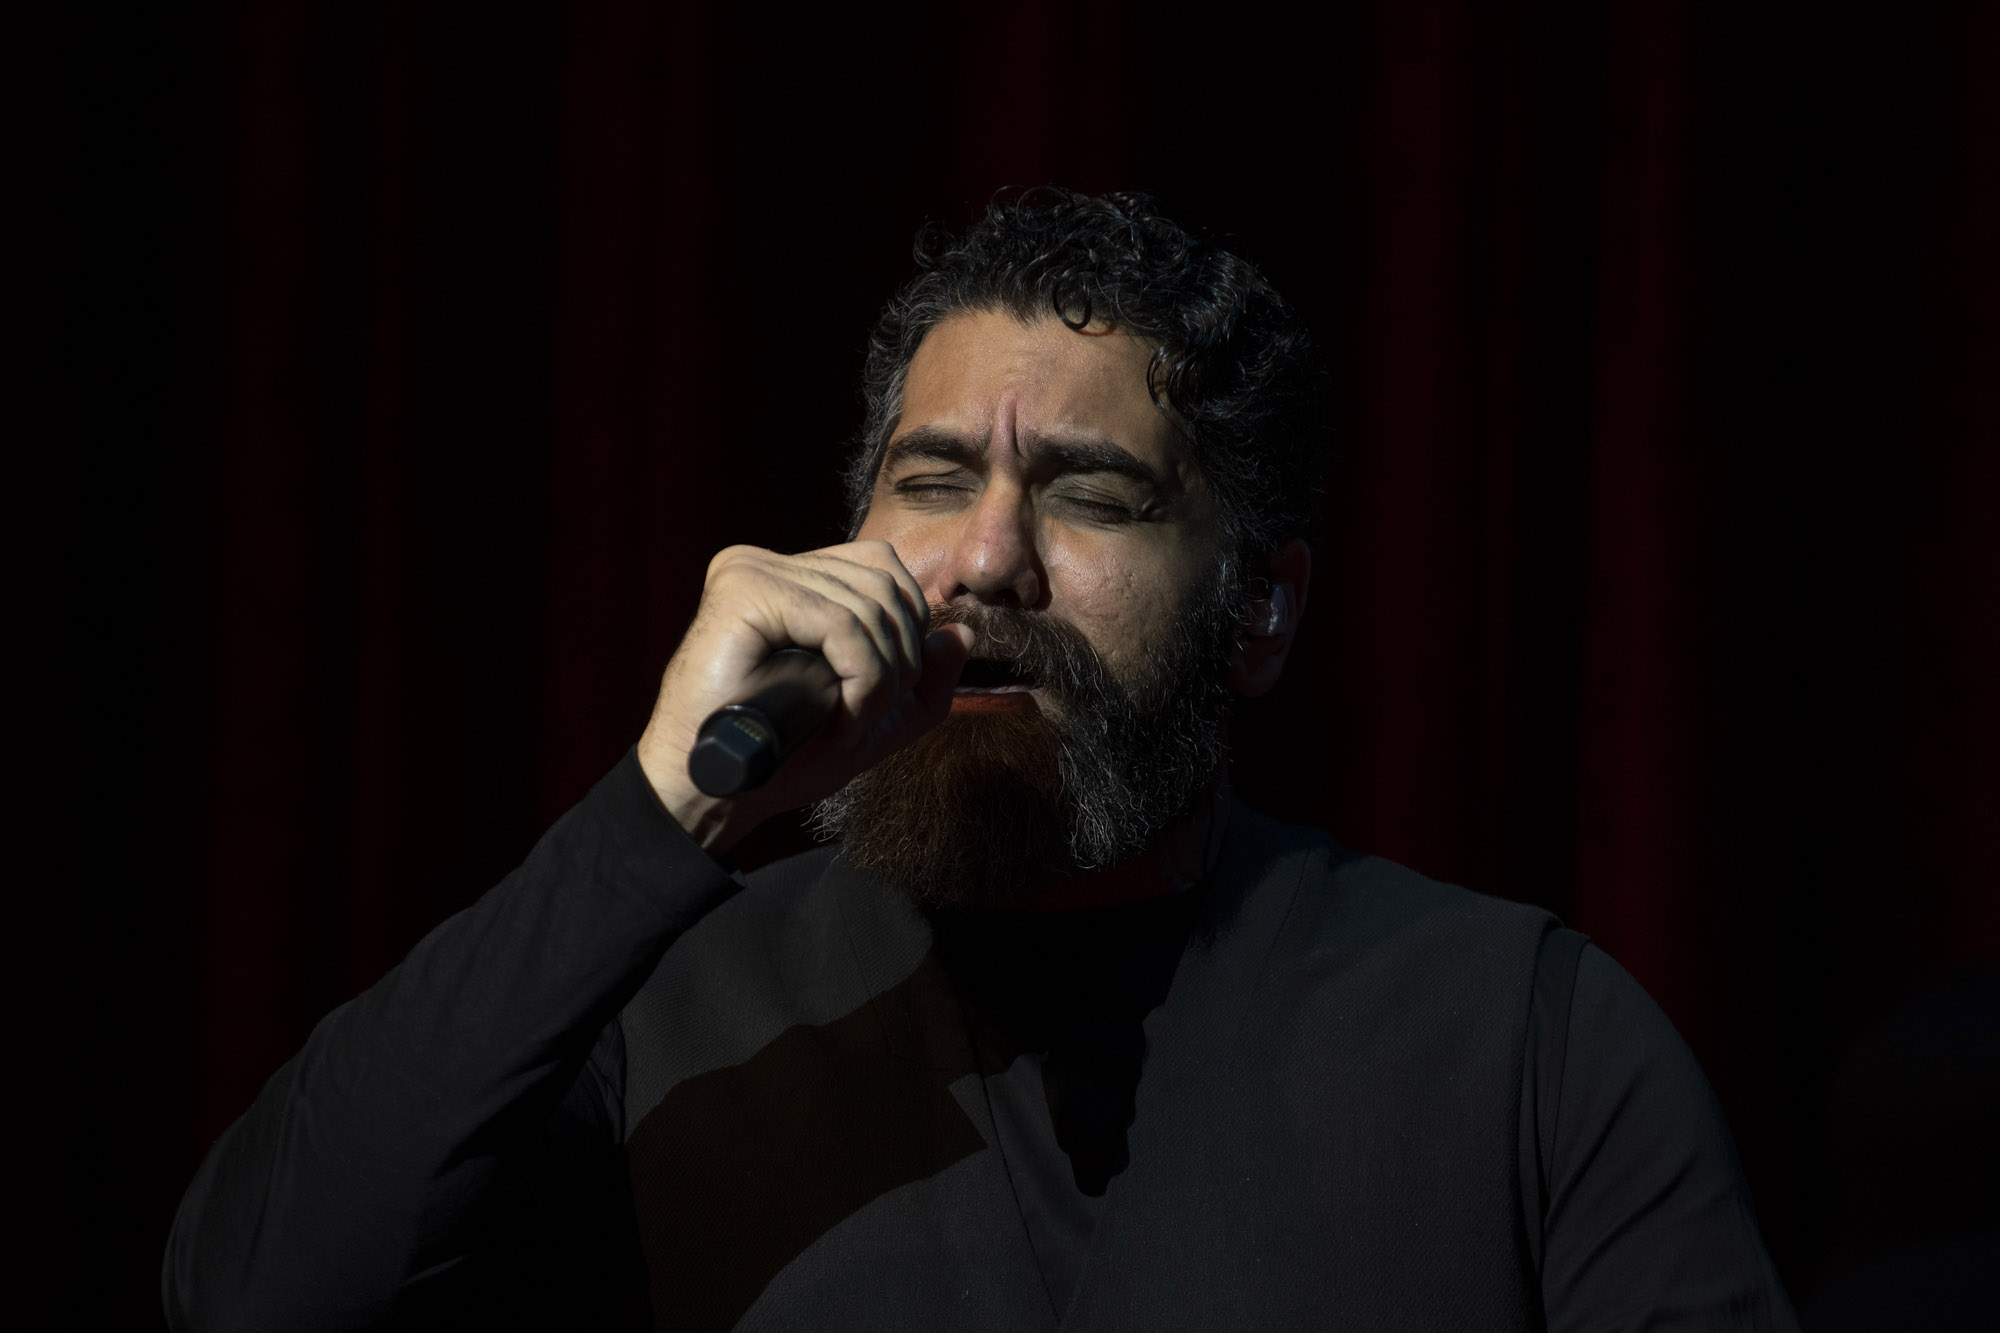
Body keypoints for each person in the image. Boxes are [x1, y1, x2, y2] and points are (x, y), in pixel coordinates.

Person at [164, 188, 1798, 1331]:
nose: (988, 561)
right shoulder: (662, 1013)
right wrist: (663, 802)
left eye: (1091, 494)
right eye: (933, 481)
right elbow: (254, 1291)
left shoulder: (1520, 1037)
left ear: (1260, 608)